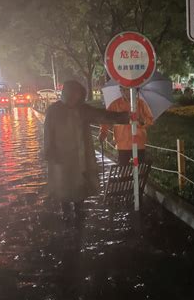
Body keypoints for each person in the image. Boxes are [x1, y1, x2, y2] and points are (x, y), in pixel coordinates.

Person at [43, 80, 129, 220]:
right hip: (61, 157)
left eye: (79, 94)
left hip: (79, 155)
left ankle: (79, 210)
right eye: (75, 93)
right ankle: (66, 211)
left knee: (79, 183)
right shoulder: (54, 111)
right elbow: (48, 133)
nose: (77, 97)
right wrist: (49, 152)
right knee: (63, 185)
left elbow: (101, 115)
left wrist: (125, 117)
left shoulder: (82, 109)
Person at [99, 86, 154, 166]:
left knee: (139, 170)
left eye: (127, 89)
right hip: (122, 143)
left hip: (138, 143)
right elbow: (106, 119)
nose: (125, 92)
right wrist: (103, 132)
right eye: (123, 90)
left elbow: (150, 120)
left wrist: (142, 121)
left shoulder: (141, 103)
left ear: (133, 90)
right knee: (123, 170)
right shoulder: (115, 104)